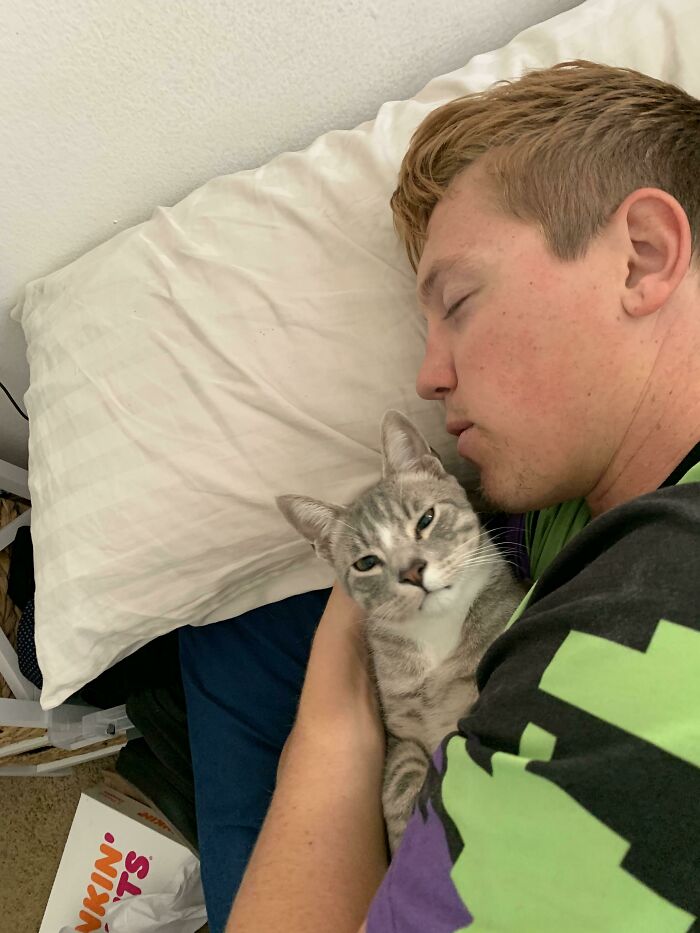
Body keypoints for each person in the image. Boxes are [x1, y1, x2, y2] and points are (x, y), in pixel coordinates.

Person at [180, 58, 700, 932]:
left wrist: (334, 722)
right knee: (222, 642)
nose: (427, 376)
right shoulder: (584, 495)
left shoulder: (656, 625)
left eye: (457, 300)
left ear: (642, 256)